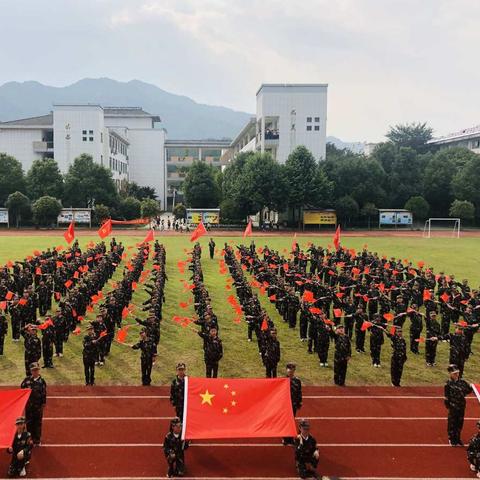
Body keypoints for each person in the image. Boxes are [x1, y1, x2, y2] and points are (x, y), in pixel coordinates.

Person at [444, 364, 473, 446]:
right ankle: (451, 438)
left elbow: (468, 391)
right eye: (455, 373)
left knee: (460, 423)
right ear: (450, 374)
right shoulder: (448, 384)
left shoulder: (463, 382)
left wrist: (472, 387)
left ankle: (457, 438)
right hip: (453, 406)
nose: (457, 375)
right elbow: (446, 396)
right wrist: (449, 405)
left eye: (457, 373)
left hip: (461, 406)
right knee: (452, 423)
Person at [20, 362, 47, 446]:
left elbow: (44, 393)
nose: (35, 372)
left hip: (37, 407)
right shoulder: (27, 380)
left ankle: (37, 440)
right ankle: (29, 438)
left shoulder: (42, 381)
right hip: (29, 406)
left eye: (36, 370)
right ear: (31, 371)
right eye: (33, 370)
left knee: (37, 423)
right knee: (29, 423)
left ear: (38, 370)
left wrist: (43, 403)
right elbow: (22, 388)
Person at [283, 362, 302, 446]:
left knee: (291, 421)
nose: (290, 371)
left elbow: (299, 392)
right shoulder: (283, 381)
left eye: (292, 369)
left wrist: (299, 403)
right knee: (285, 421)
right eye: (289, 369)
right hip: (285, 405)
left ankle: (289, 438)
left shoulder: (297, 381)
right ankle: (285, 438)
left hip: (293, 404)